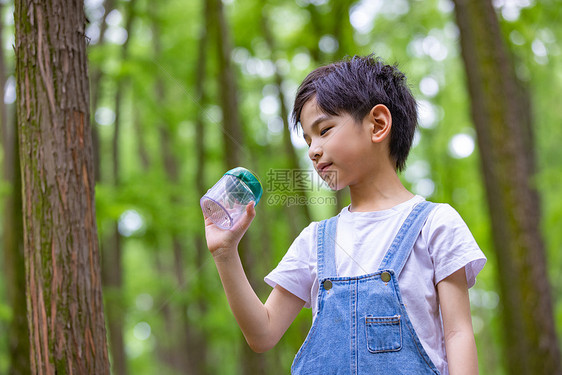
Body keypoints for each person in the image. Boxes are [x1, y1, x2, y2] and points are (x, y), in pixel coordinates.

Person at [203, 54, 486, 374]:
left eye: (324, 130)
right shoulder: (314, 240)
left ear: (377, 124)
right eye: (308, 139)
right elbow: (263, 333)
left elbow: (458, 332)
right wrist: (225, 253)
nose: (312, 149)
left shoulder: (435, 224)